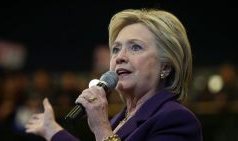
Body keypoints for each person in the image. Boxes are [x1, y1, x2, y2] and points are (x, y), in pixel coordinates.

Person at [25, 9, 203, 141]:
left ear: (166, 66)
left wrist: (102, 129)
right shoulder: (119, 119)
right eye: (116, 49)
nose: (119, 57)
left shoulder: (177, 119)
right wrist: (53, 131)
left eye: (135, 47)